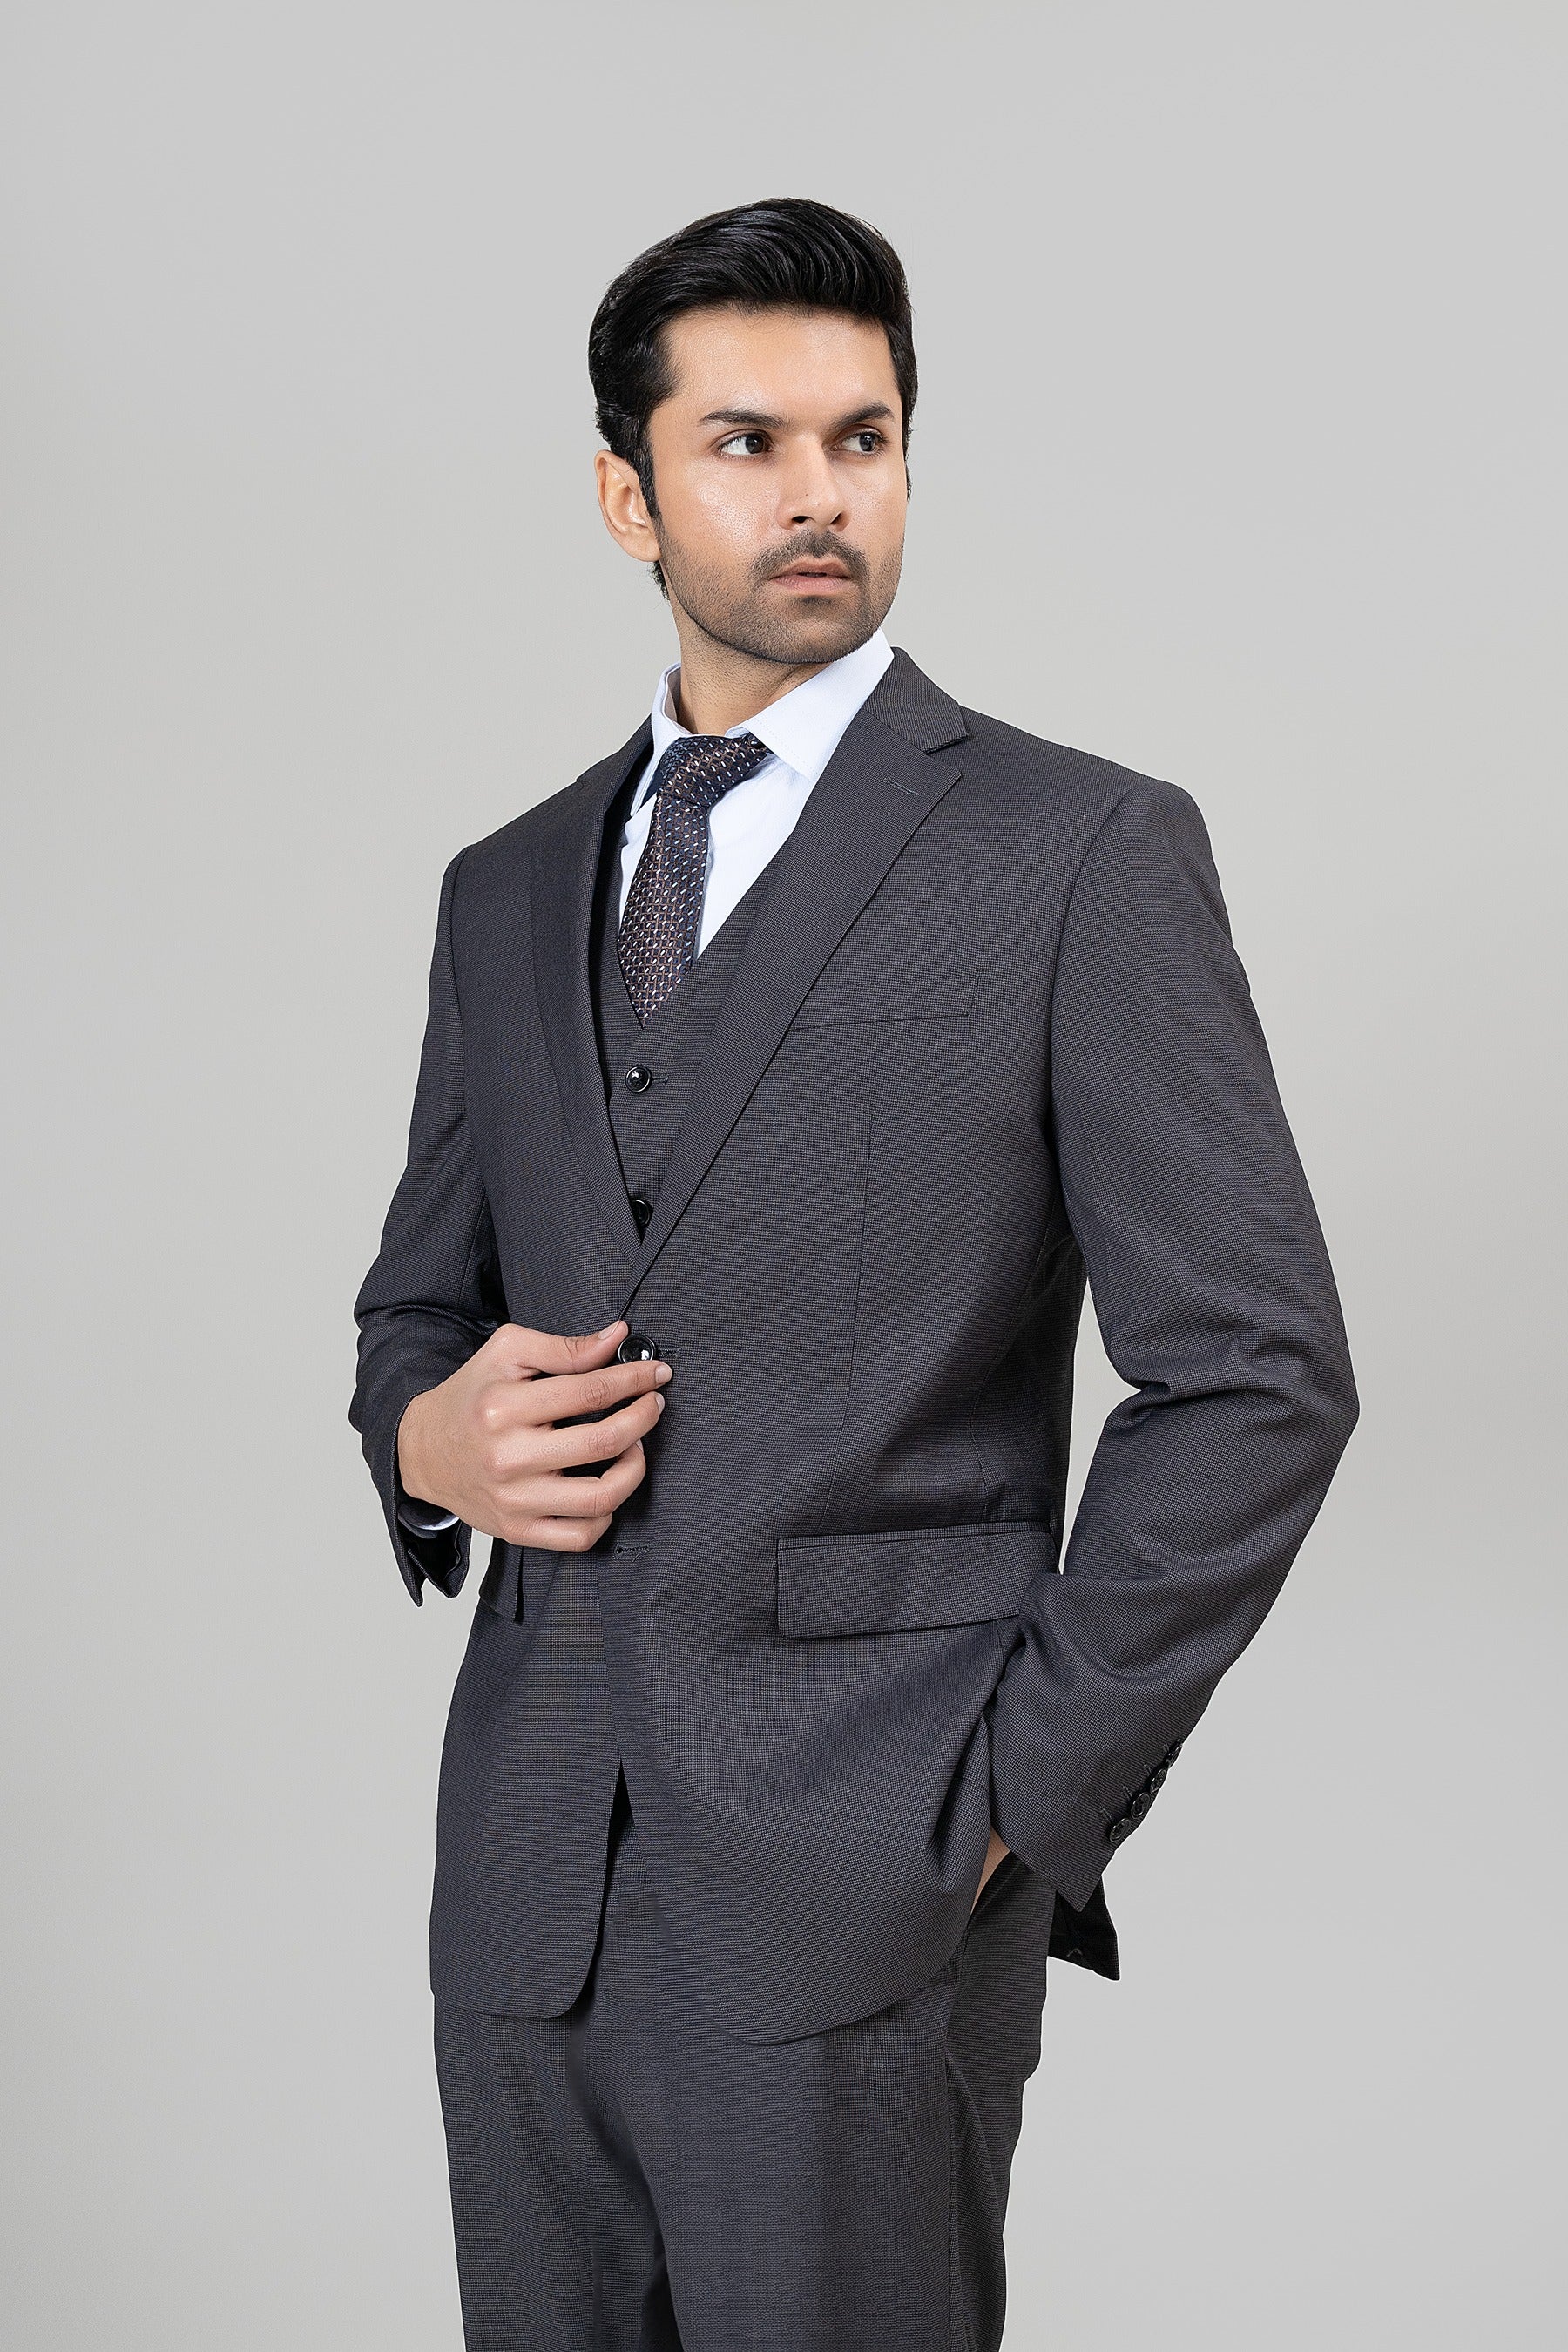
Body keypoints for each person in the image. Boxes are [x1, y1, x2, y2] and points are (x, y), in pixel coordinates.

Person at [350, 195, 1357, 2352]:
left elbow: (1259, 1376)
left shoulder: (1077, 853)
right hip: (525, 1893)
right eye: (747, 443)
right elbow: (416, 1310)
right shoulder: (505, 890)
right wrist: (431, 1438)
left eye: (864, 438)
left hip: (871, 1879)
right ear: (627, 495)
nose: (820, 493)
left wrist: (1013, 1806)